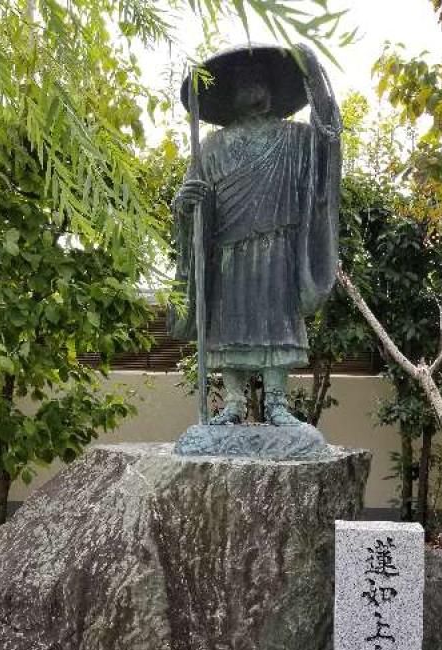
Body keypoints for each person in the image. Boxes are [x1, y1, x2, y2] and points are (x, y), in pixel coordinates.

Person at [170, 43, 342, 426]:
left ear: (272, 89)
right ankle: (233, 401)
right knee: (229, 324)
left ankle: (277, 401)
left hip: (278, 245)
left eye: (259, 80)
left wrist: (314, 77)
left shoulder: (295, 139)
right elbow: (190, 200)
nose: (252, 87)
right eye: (243, 82)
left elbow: (329, 138)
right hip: (228, 251)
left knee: (275, 319)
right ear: (229, 94)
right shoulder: (211, 147)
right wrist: (185, 203)